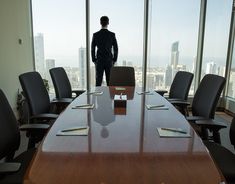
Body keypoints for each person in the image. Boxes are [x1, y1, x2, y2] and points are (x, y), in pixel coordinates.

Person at [91, 16, 118, 86]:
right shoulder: (112, 35)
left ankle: (98, 96)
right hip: (109, 61)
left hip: (99, 61)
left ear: (100, 23)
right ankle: (109, 97)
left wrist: (94, 60)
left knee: (98, 81)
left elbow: (92, 48)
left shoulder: (96, 35)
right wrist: (114, 60)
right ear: (108, 23)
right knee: (110, 82)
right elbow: (116, 48)